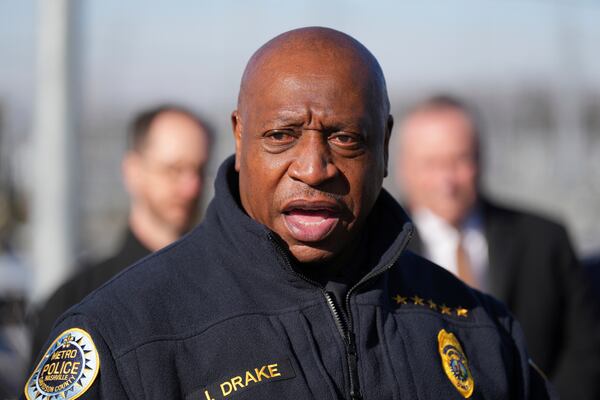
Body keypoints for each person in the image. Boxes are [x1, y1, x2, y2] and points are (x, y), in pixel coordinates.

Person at [24, 28, 555, 400]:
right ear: (239, 135)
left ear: (385, 147)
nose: (314, 167)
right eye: (280, 136)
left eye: (346, 138)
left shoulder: (479, 328)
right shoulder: (124, 335)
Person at [396, 94, 600, 399]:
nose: (446, 180)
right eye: (431, 164)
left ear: (481, 158)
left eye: (458, 160)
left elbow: (585, 352)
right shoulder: (381, 252)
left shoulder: (545, 241)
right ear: (403, 168)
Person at [30, 104, 212, 365]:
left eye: (199, 170)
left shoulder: (222, 288)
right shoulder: (75, 302)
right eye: (173, 170)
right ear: (133, 170)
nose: (190, 187)